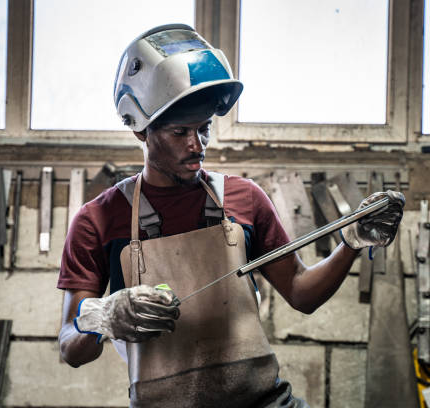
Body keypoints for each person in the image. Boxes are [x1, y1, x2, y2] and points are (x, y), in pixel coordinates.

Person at [57, 24, 405, 408]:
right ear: (141, 130)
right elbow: (70, 348)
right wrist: (102, 317)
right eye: (179, 132)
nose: (197, 145)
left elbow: (301, 293)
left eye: (204, 129)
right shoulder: (99, 219)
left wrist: (351, 243)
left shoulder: (244, 199)